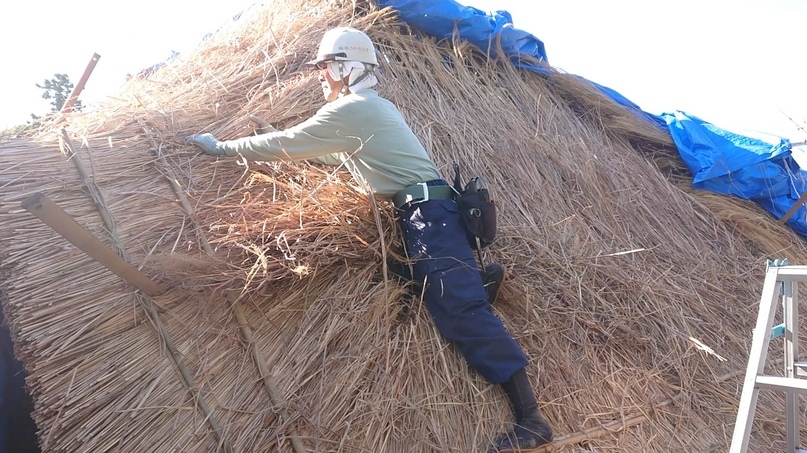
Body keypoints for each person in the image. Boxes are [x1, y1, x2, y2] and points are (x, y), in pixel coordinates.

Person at [186, 26, 553, 452]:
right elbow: (325, 153)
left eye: (325, 66)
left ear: (348, 66)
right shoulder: (368, 110)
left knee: (461, 314)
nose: (320, 75)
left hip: (429, 217)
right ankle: (473, 280)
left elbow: (292, 141)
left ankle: (531, 420)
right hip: (429, 214)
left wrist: (223, 149)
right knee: (411, 283)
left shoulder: (354, 109)